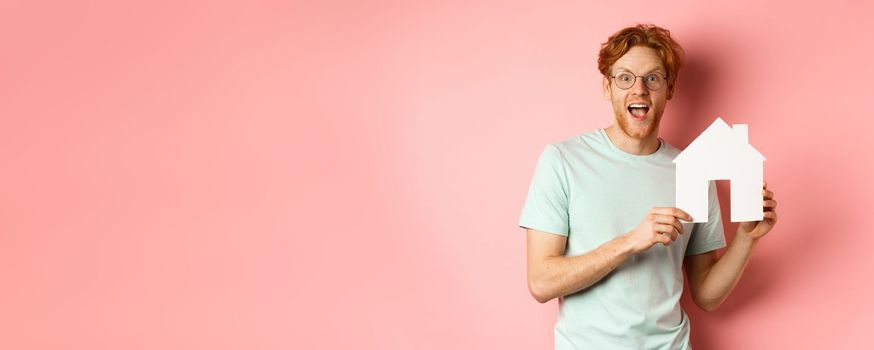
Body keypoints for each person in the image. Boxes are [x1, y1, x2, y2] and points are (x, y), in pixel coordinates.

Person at [519, 24, 778, 349]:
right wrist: (630, 242)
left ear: (668, 89)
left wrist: (746, 239)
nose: (639, 90)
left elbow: (707, 296)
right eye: (625, 78)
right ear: (607, 87)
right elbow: (541, 283)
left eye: (652, 78)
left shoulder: (693, 169)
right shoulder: (563, 161)